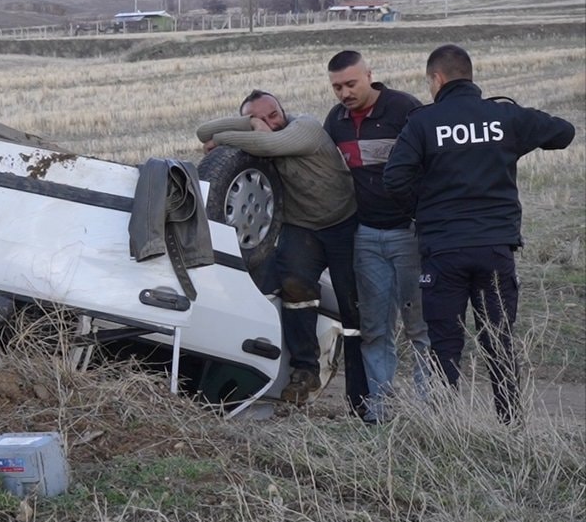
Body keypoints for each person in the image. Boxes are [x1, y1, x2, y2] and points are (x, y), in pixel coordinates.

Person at [383, 44, 575, 424]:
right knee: (499, 343)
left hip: (444, 251)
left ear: (436, 79)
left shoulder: (423, 123)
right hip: (494, 249)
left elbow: (394, 180)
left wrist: (423, 209)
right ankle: (511, 426)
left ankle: (446, 428)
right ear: (469, 76)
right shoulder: (503, 116)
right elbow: (564, 133)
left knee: (445, 346)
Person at [197, 90, 368, 412]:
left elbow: (269, 144)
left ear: (284, 110)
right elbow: (202, 133)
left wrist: (233, 137)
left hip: (343, 223)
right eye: (260, 118)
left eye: (273, 114)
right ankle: (305, 371)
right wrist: (247, 125)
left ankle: (363, 394)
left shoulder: (306, 128)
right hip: (300, 226)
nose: (270, 123)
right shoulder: (258, 129)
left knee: (353, 308)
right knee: (295, 289)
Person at [323, 50, 431, 424]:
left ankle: (428, 412)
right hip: (366, 237)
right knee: (374, 329)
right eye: (337, 87)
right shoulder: (335, 121)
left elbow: (436, 161)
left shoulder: (406, 109)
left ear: (370, 75)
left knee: (420, 325)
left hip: (410, 234)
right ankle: (379, 411)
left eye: (351, 83)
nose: (344, 93)